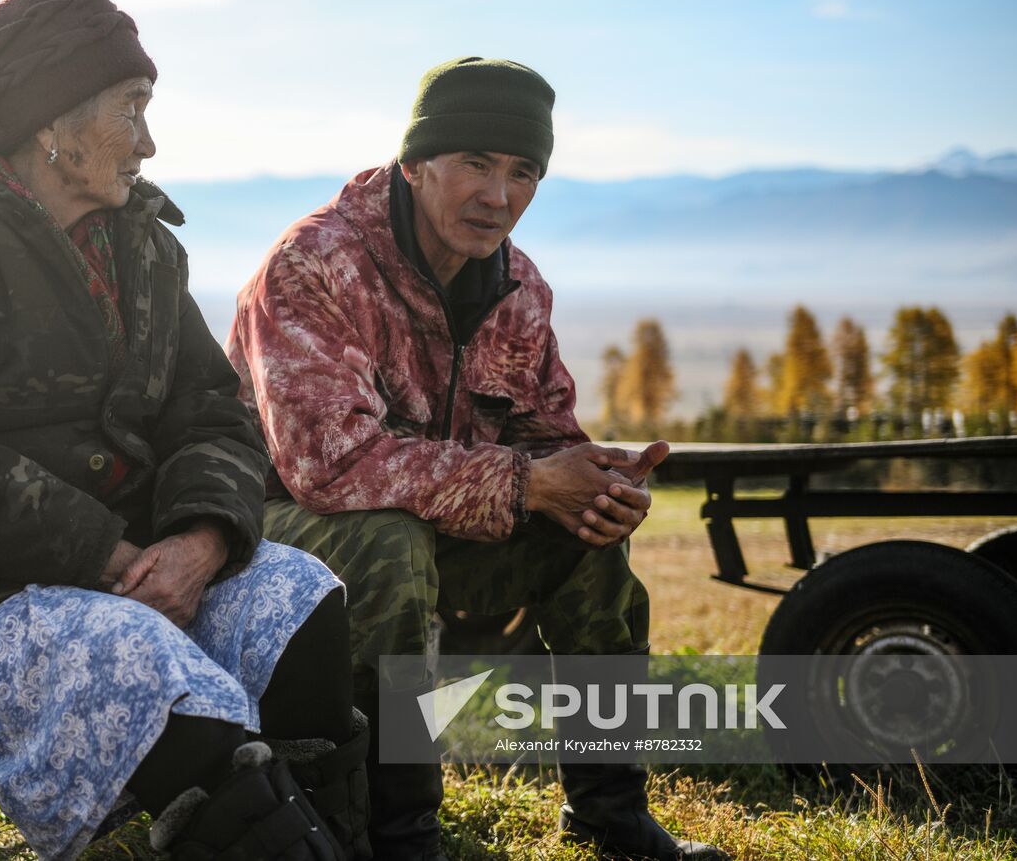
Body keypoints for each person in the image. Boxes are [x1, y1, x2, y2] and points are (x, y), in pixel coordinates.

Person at [0, 0, 368, 861]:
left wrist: (200, 542)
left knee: (298, 600)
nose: (150, 141)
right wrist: (103, 556)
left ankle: (355, 840)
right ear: (52, 125)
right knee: (148, 669)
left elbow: (215, 413)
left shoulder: (142, 247)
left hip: (145, 558)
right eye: (132, 108)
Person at [226, 57, 729, 861]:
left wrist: (595, 481)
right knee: (388, 542)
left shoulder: (517, 287)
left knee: (586, 533)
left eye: (523, 171)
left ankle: (609, 811)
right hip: (276, 545)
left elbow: (544, 433)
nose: (500, 196)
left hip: (433, 532)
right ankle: (399, 833)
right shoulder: (314, 264)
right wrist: (531, 483)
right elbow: (331, 467)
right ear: (417, 164)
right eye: (476, 164)